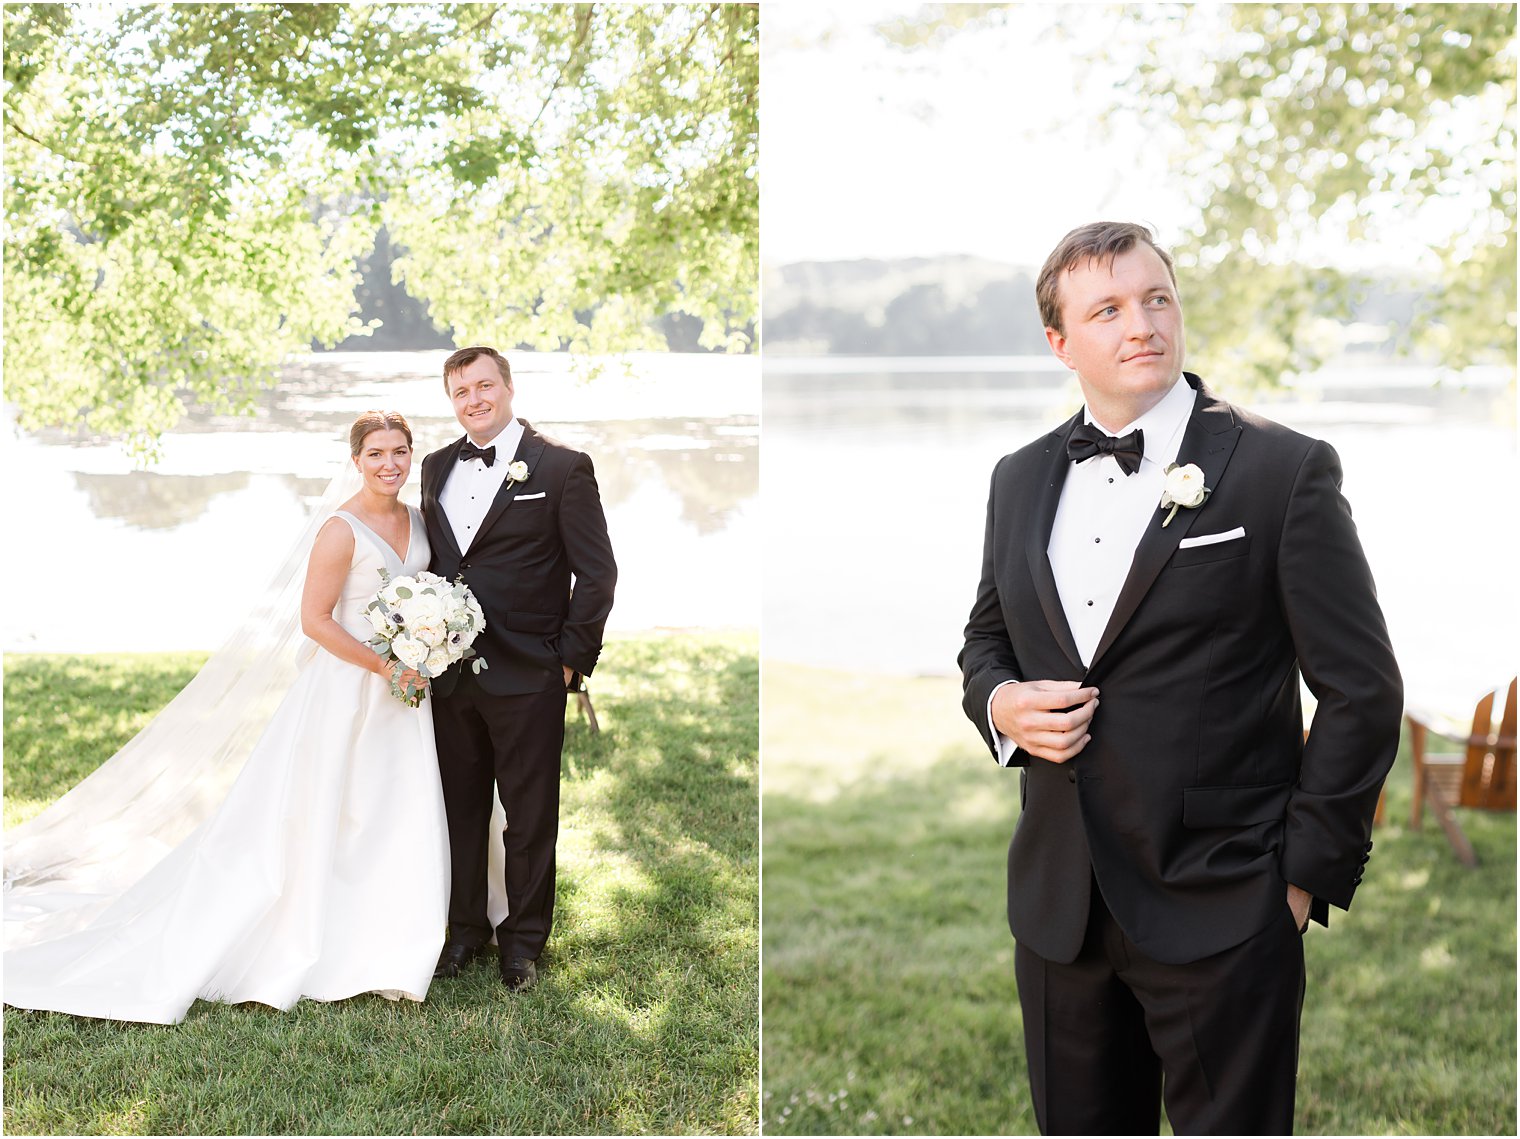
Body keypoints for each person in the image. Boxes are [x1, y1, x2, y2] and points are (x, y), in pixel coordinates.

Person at [958, 221, 1403, 1134]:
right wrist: (1002, 704)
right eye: (1109, 308)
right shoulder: (1017, 477)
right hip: (1058, 911)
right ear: (1060, 342)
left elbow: (1362, 689)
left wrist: (1301, 877)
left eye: (1158, 297)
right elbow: (985, 641)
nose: (1143, 324)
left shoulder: (1282, 470)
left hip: (1226, 902)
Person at [4, 411, 450, 1024]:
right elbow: (316, 622)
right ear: (356, 460)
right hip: (348, 689)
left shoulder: (416, 519)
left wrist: (430, 641)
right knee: (328, 811)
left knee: (392, 808)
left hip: (405, 693)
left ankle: (393, 936)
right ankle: (323, 937)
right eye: (376, 453)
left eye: (400, 451)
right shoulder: (339, 530)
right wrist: (384, 667)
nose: (390, 464)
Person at [422, 346, 616, 992]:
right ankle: (465, 930)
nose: (473, 399)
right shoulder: (434, 467)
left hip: (530, 672)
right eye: (460, 391)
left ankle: (523, 941)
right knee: (460, 808)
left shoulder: (562, 466)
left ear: (507, 386)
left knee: (530, 814)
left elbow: (596, 573)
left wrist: (567, 662)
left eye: (483, 385)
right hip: (450, 674)